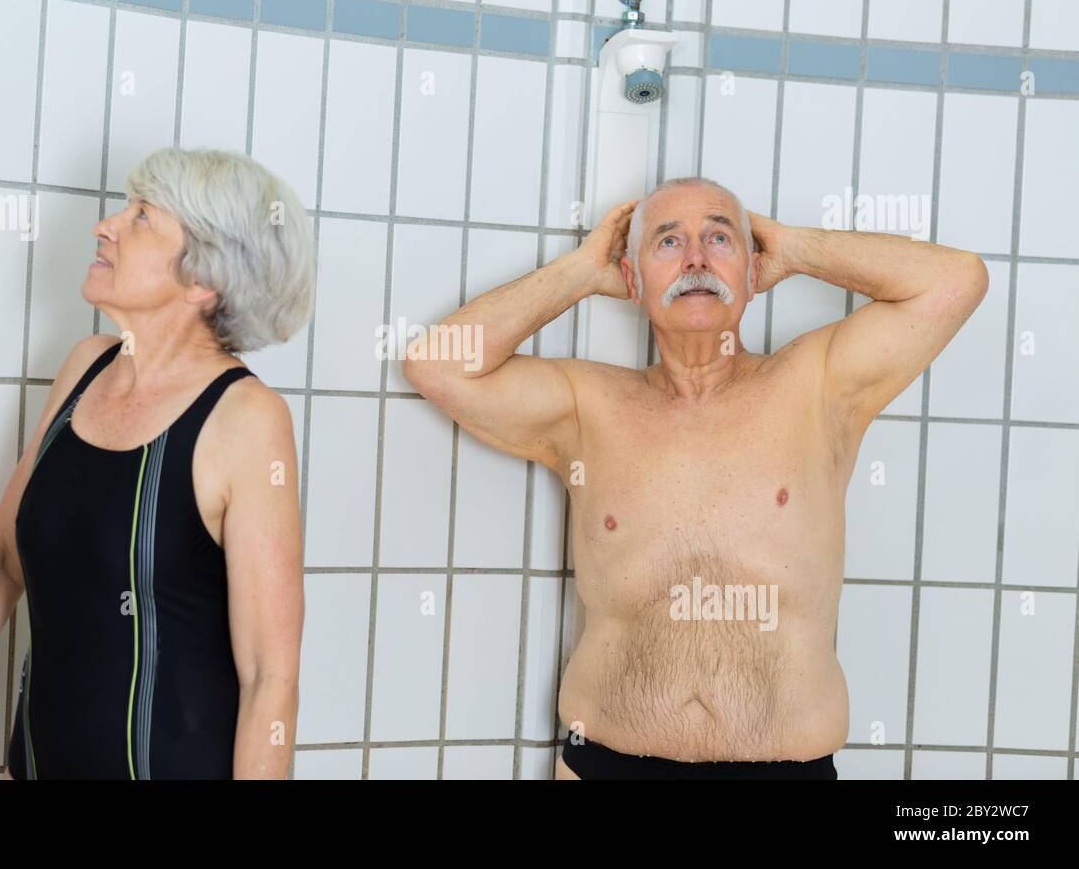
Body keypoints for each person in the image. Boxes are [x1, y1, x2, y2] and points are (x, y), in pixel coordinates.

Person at [403, 176, 988, 779]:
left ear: (753, 270)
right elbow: (438, 365)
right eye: (667, 242)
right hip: (608, 764)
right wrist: (581, 270)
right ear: (632, 280)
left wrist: (793, 246)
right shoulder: (588, 406)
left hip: (784, 768)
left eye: (719, 236)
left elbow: (956, 280)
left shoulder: (818, 385)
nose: (696, 258)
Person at [0, 147, 314, 779]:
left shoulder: (246, 419)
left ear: (201, 279)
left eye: (142, 217)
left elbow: (271, 676)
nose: (106, 225)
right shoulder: (88, 366)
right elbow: (1, 557)